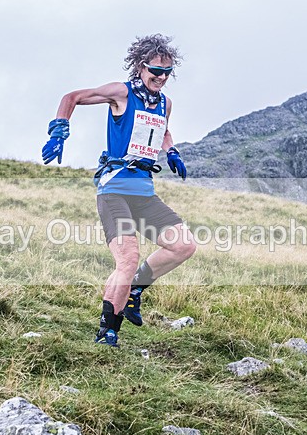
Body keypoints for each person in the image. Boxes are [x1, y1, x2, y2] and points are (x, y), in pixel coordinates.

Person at [43, 34, 196, 347]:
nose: (161, 78)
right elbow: (71, 97)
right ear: (141, 67)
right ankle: (108, 330)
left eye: (167, 73)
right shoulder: (121, 94)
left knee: (183, 245)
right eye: (156, 71)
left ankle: (136, 289)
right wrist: (59, 132)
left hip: (144, 191)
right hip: (114, 190)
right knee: (127, 259)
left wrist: (171, 151)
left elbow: (162, 129)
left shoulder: (165, 104)